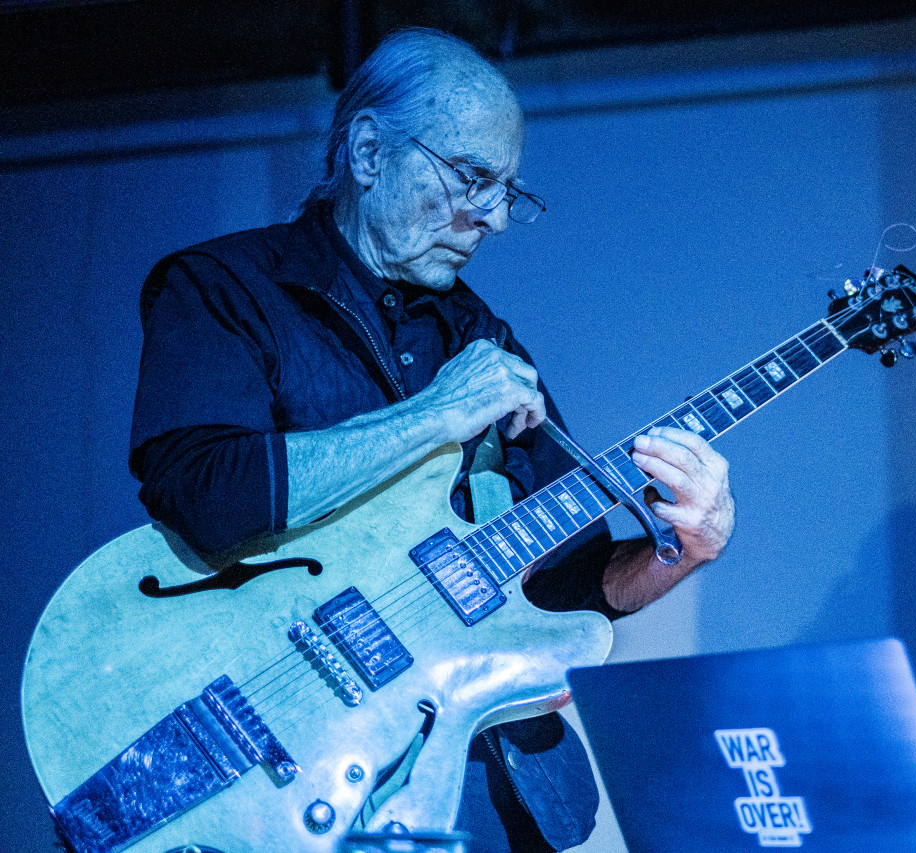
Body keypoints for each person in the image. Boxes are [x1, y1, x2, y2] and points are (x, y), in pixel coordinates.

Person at [128, 27, 735, 853]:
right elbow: (207, 495)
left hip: (486, 788)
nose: (492, 217)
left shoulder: (483, 337)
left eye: (506, 191)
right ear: (370, 151)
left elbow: (571, 583)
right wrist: (428, 419)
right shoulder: (223, 288)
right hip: (295, 769)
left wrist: (680, 550)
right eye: (472, 178)